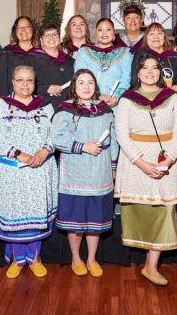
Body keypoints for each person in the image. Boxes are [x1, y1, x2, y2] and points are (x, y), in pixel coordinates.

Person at [114, 53, 177, 286]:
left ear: (161, 73)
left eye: (155, 68)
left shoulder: (171, 97)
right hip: (136, 161)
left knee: (164, 210)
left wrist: (168, 160)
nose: (150, 72)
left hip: (166, 158)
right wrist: (141, 163)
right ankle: (144, 263)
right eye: (145, 68)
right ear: (137, 73)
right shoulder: (126, 99)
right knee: (142, 210)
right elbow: (121, 134)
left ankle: (151, 266)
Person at [0, 65, 57, 279]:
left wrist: (45, 151)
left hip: (39, 171)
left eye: (30, 80)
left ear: (35, 83)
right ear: (13, 82)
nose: (25, 84)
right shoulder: (1, 106)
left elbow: (55, 133)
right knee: (14, 217)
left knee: (35, 218)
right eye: (20, 80)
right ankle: (17, 259)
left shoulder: (45, 106)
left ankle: (34, 258)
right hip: (11, 172)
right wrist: (19, 154)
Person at [51, 69, 118, 278]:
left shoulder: (105, 110)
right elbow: (57, 138)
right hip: (75, 171)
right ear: (74, 86)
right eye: (81, 83)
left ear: (95, 86)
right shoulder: (65, 110)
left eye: (90, 82)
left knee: (94, 221)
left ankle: (91, 259)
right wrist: (82, 146)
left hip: (100, 171)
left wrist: (114, 166)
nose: (86, 87)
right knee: (76, 221)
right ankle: (76, 258)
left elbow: (114, 138)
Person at [74, 18, 133, 107]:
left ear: (114, 33)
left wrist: (116, 98)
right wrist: (98, 96)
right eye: (100, 30)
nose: (104, 33)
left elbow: (127, 79)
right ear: (96, 33)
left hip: (117, 104)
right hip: (89, 102)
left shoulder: (125, 53)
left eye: (108, 29)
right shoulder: (84, 52)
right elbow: (79, 79)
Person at [130, 23, 177, 98]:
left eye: (160, 33)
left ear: (164, 37)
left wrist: (170, 92)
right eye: (151, 33)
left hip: (173, 97)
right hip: (147, 98)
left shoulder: (173, 55)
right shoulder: (141, 54)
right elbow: (134, 79)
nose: (156, 37)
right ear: (146, 38)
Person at [0, 16, 38, 104]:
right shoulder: (7, 53)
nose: (23, 30)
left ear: (33, 29)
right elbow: (0, 83)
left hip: (37, 104)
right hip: (12, 104)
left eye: (26, 26)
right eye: (19, 27)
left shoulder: (41, 54)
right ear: (15, 32)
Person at [32, 23, 75, 109]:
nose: (51, 37)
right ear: (41, 40)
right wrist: (47, 88)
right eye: (47, 35)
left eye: (54, 34)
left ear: (59, 38)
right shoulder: (33, 60)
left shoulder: (70, 61)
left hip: (70, 107)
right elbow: (27, 84)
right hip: (46, 107)